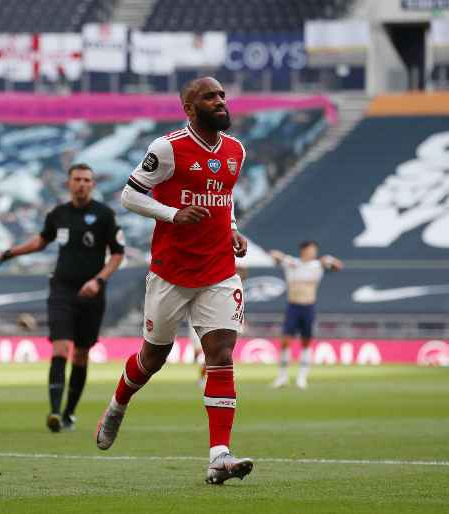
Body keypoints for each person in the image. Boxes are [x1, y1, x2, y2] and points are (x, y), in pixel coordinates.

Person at [95, 76, 253, 485]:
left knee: (220, 353)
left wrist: (231, 226)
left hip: (218, 271)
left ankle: (219, 455)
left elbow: (223, 196)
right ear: (189, 108)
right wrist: (171, 214)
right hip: (171, 273)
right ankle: (117, 404)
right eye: (210, 97)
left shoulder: (236, 150)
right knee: (153, 359)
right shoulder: (167, 148)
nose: (220, 101)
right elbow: (130, 195)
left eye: (221, 95)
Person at [0, 164, 125, 433]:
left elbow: (117, 253)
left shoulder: (104, 215)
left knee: (81, 355)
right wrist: (6, 254)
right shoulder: (58, 214)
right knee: (60, 348)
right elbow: (40, 241)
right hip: (61, 290)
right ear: (68, 183)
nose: (82, 184)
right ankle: (55, 412)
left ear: (93, 185)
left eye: (86, 180)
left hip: (92, 292)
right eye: (77, 179)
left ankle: (69, 413)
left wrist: (99, 280)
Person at [270, 242, 343, 389]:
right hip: (293, 306)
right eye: (310, 250)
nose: (313, 253)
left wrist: (329, 260)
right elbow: (274, 254)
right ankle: (282, 376)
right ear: (303, 251)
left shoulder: (318, 265)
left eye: (314, 251)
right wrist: (282, 257)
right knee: (285, 341)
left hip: (308, 307)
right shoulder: (292, 263)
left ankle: (302, 378)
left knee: (306, 342)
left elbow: (339, 266)